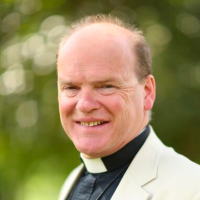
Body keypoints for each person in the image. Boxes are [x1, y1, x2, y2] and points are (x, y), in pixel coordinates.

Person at [57, 14, 200, 200]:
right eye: (71, 87)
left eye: (106, 86)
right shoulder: (72, 181)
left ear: (147, 92)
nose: (84, 105)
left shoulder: (192, 188)